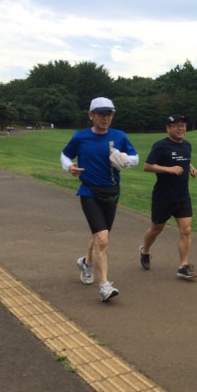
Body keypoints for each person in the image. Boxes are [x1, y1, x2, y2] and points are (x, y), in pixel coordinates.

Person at [60, 97, 138, 302]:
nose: (105, 118)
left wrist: (126, 160)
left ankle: (86, 262)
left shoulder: (119, 136)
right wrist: (69, 167)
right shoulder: (81, 137)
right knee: (102, 240)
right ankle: (104, 286)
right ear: (91, 115)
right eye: (101, 114)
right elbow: (65, 155)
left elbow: (135, 157)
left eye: (109, 114)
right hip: (89, 191)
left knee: (100, 237)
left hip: (112, 191)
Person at [139, 114, 197, 280]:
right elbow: (147, 166)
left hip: (182, 196)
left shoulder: (187, 145)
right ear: (168, 128)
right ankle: (145, 251)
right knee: (156, 229)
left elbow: (184, 159)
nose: (181, 128)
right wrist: (169, 169)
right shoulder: (160, 146)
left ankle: (183, 266)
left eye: (183, 125)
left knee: (186, 230)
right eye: (177, 125)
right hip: (163, 197)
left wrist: (190, 167)